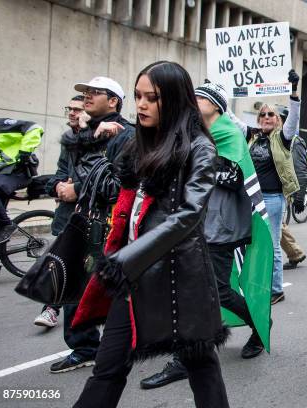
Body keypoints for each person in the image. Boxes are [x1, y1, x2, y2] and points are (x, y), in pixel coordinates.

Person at [71, 61, 229, 408]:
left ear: (173, 100)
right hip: (131, 280)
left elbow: (188, 215)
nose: (141, 104)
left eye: (151, 98)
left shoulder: (200, 148)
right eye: (138, 96)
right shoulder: (138, 143)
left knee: (201, 366)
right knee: (107, 369)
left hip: (180, 279)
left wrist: (125, 261)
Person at [139, 81, 266, 390]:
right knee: (187, 292)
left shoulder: (229, 135)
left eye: (201, 98)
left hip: (219, 229)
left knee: (216, 292)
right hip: (188, 226)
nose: (193, 101)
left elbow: (235, 177)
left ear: (216, 107)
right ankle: (186, 355)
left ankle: (258, 325)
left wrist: (198, 169)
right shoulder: (189, 136)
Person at [45, 77, 135, 374]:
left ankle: (124, 340)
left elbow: (123, 179)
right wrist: (58, 185)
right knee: (75, 285)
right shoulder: (79, 133)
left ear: (114, 101)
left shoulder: (124, 134)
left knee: (115, 286)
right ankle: (85, 347)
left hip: (107, 225)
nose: (87, 97)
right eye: (85, 92)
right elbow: (62, 170)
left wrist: (79, 188)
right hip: (77, 219)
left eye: (95, 93)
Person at [229, 70, 301, 304]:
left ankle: (276, 289)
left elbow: (294, 118)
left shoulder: (283, 137)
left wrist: (293, 90)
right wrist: (218, 93)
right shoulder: (252, 136)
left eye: (271, 114)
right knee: (251, 245)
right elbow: (230, 118)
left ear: (277, 119)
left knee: (272, 244)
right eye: (263, 114)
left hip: (272, 199)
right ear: (259, 119)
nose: (268, 117)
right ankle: (255, 284)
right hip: (250, 199)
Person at [34, 95, 86, 329]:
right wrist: (59, 186)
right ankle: (51, 308)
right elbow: (58, 174)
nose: (72, 113)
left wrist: (76, 187)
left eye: (77, 109)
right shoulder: (68, 141)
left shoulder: (101, 138)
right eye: (70, 109)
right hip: (67, 216)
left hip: (91, 217)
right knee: (62, 265)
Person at [0, 118, 43, 247]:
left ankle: (6, 225)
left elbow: (34, 127)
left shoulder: (1, 125)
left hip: (17, 171)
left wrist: (24, 153)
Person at [281, 106, 307, 270]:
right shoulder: (275, 138)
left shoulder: (295, 142)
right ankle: (295, 253)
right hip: (271, 187)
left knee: (274, 224)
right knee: (277, 224)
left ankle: (294, 253)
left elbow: (301, 169)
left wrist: (299, 197)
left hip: (284, 190)